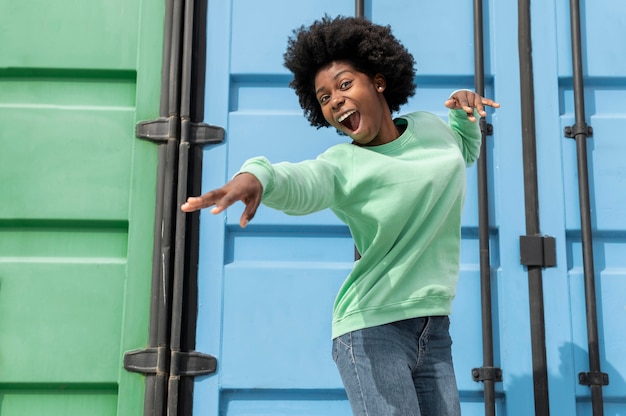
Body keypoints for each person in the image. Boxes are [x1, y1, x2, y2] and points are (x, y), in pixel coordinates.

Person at [182, 15, 499, 416]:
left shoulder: (430, 128)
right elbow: (303, 181)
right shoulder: (344, 164)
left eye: (345, 84)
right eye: (324, 97)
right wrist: (257, 177)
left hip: (434, 330)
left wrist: (464, 113)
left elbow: (462, 153)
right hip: (372, 330)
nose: (335, 100)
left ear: (378, 82)